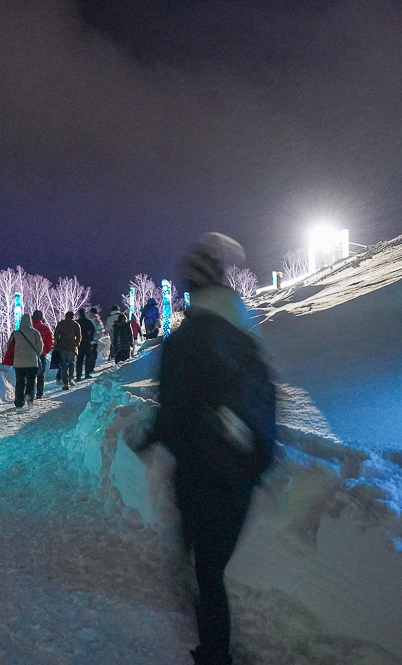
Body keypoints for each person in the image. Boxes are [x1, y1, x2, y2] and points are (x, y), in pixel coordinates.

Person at [145, 233, 277, 665]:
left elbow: (172, 409)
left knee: (206, 572)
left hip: (201, 474)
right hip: (239, 478)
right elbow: (269, 400)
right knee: (212, 565)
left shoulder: (183, 343)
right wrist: (257, 464)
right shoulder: (244, 339)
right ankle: (200, 605)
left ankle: (214, 652)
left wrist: (149, 440)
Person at [6, 313, 43, 407]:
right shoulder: (35, 333)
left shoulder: (15, 333)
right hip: (32, 362)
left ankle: (19, 402)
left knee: (20, 382)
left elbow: (10, 346)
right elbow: (40, 347)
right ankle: (29, 398)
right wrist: (36, 354)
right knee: (31, 381)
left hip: (18, 363)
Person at [53, 311, 81, 391]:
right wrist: (77, 344)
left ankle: (65, 382)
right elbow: (79, 336)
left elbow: (56, 335)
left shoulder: (61, 324)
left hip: (62, 347)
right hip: (72, 347)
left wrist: (58, 342)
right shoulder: (76, 324)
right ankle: (70, 378)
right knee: (71, 363)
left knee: (63, 365)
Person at [31, 310, 54, 395]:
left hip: (30, 354)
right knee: (40, 374)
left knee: (31, 375)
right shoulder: (45, 328)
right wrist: (45, 351)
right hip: (41, 354)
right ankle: (39, 392)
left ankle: (30, 392)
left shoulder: (28, 327)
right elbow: (50, 342)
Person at [76, 307, 96, 381]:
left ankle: (78, 375)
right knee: (88, 359)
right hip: (87, 342)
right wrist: (90, 338)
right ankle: (87, 374)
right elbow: (93, 331)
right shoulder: (88, 322)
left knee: (79, 360)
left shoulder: (77, 322)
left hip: (79, 343)